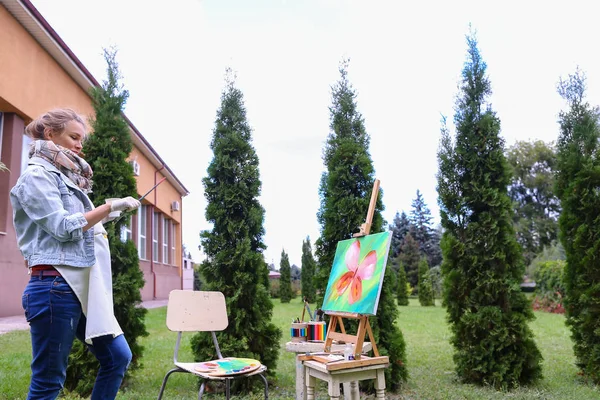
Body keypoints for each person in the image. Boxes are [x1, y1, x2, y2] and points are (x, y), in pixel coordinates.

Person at [10, 108, 141, 400]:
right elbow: (62, 226)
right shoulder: (36, 176)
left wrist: (111, 213)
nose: (80, 145)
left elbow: (80, 225)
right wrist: (107, 207)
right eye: (74, 137)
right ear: (50, 134)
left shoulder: (69, 178)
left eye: (82, 139)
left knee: (118, 357)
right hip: (54, 287)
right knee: (48, 383)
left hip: (82, 286)